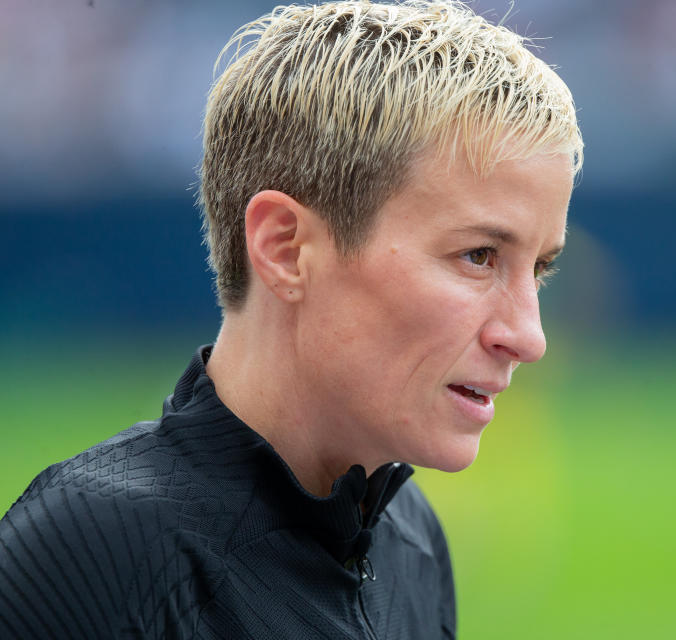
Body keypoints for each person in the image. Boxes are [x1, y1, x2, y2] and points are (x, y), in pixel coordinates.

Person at [0, 1, 582, 638]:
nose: (529, 336)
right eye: (478, 256)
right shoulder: (89, 563)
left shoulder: (409, 542)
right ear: (284, 248)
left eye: (541, 269)